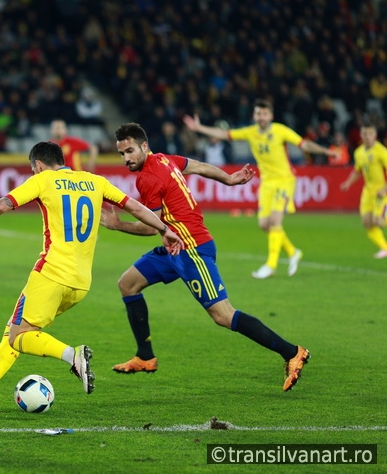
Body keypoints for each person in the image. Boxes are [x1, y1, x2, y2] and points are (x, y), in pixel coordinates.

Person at [0, 141, 183, 404]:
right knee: (17, 326)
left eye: (34, 170)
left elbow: (1, 206)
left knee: (18, 336)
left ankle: (72, 355)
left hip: (51, 273)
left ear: (39, 165)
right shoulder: (95, 181)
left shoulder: (43, 180)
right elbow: (135, 208)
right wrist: (163, 229)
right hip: (80, 283)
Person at [100, 122, 310, 392]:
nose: (126, 158)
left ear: (144, 146)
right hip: (174, 248)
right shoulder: (165, 159)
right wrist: (229, 179)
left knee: (223, 315)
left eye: (130, 151)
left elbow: (152, 226)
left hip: (192, 249)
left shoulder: (148, 177)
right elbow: (198, 166)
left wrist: (118, 225)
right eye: (121, 154)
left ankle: (292, 352)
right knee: (127, 284)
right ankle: (145, 356)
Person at [184, 99, 337, 279]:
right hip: (267, 183)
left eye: (264, 113)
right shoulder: (251, 132)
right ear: (254, 115)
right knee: (264, 224)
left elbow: (304, 144)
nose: (261, 117)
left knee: (275, 221)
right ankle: (293, 252)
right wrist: (200, 128)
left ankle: (271, 265)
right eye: (258, 113)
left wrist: (326, 152)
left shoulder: (280, 130)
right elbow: (224, 134)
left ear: (270, 115)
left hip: (284, 180)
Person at [340, 122, 387, 258]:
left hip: (381, 192)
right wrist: (348, 183)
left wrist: (384, 189)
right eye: (365, 134)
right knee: (366, 222)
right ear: (361, 135)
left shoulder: (381, 151)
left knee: (378, 221)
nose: (367, 137)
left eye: (370, 134)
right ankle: (384, 248)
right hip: (368, 192)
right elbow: (357, 171)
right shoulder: (359, 152)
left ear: (375, 135)